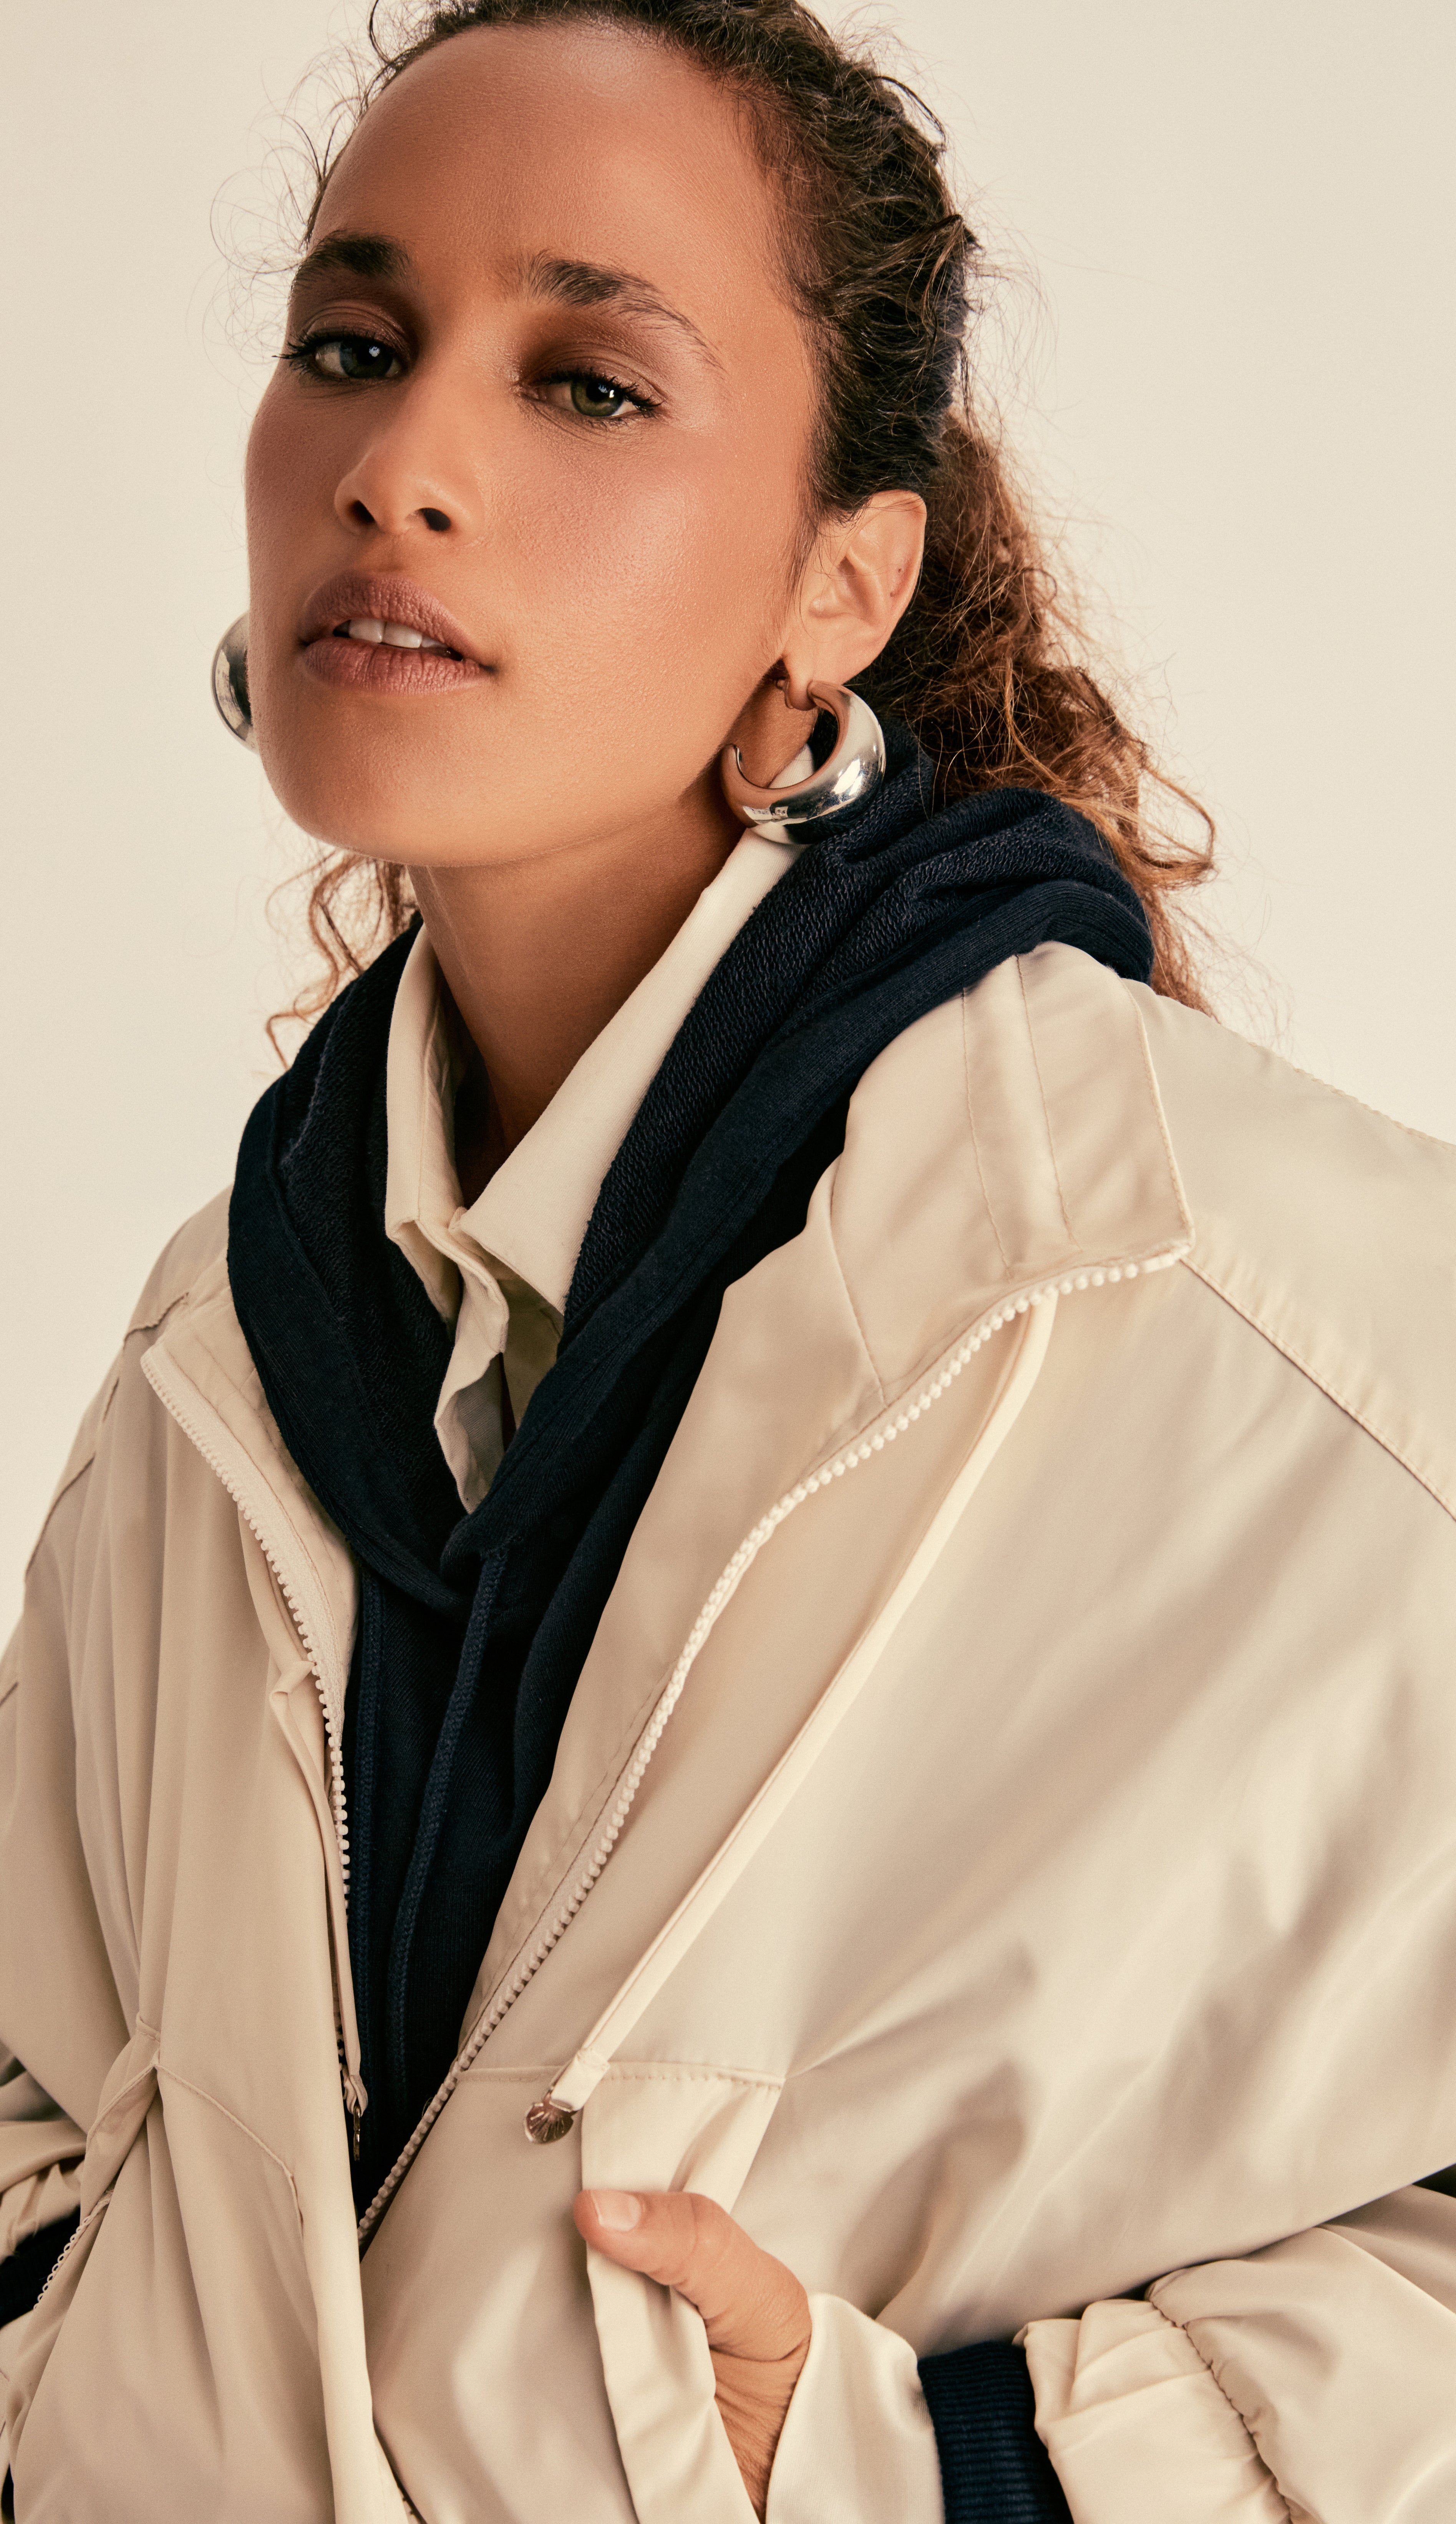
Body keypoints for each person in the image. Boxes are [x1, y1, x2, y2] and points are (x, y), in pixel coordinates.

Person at [3, 0, 1455, 2516]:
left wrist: (947, 2473)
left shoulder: (1294, 1329)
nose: (400, 463)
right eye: (351, 345)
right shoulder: (227, 1339)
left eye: (587, 384)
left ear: (842, 580)